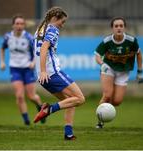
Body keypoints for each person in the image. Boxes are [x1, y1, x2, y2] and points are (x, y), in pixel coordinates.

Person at [33, 6, 85, 140]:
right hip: (51, 72)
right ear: (55, 18)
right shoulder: (52, 29)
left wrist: (41, 71)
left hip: (41, 75)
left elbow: (38, 49)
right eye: (62, 22)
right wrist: (45, 70)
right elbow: (45, 47)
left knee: (69, 101)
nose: (62, 25)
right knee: (80, 99)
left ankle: (68, 133)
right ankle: (48, 110)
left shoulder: (40, 29)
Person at [94, 17, 143, 128]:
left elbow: (139, 54)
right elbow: (97, 56)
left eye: (121, 25)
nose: (119, 28)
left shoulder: (131, 41)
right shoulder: (107, 41)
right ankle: (100, 121)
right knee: (107, 95)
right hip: (109, 69)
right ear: (112, 28)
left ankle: (107, 110)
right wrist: (102, 64)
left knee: (117, 101)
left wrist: (140, 71)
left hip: (123, 72)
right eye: (116, 26)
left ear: (124, 27)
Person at [0, 14, 45, 125]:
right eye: (17, 23)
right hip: (15, 69)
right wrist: (2, 62)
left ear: (24, 25)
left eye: (21, 24)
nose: (19, 26)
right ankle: (26, 121)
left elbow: (36, 51)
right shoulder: (8, 37)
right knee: (19, 96)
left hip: (27, 69)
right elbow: (2, 48)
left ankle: (41, 109)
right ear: (13, 25)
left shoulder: (29, 37)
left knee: (31, 96)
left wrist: (33, 62)